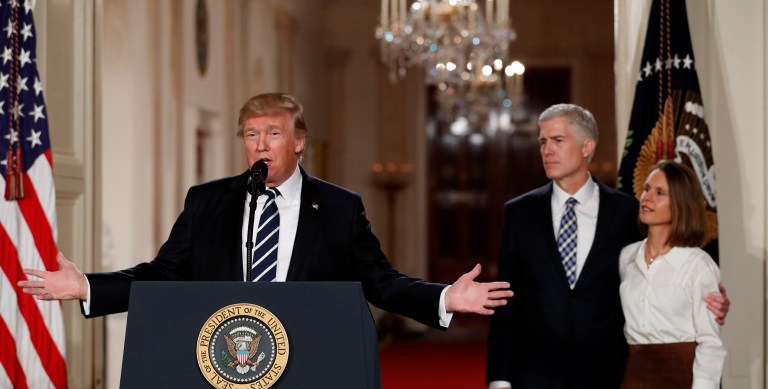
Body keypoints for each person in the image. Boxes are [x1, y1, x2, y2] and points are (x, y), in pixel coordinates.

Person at [18, 93, 513, 329]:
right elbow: (163, 274)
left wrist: (444, 297)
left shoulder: (339, 208)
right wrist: (88, 287)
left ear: (299, 142)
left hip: (309, 364)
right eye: (251, 134)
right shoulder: (208, 201)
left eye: (274, 133)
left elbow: (379, 282)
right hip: (224, 360)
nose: (261, 144)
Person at [485, 103, 729, 389]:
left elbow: (663, 274)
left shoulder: (628, 212)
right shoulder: (519, 212)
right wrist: (499, 377)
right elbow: (505, 299)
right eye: (543, 142)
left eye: (558, 140)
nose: (547, 150)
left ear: (587, 147)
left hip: (606, 383)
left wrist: (712, 302)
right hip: (534, 380)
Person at [617, 160, 725, 389]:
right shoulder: (627, 257)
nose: (647, 198)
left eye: (659, 193)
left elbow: (710, 342)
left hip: (683, 382)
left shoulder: (698, 264)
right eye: (646, 189)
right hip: (634, 380)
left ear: (680, 204)